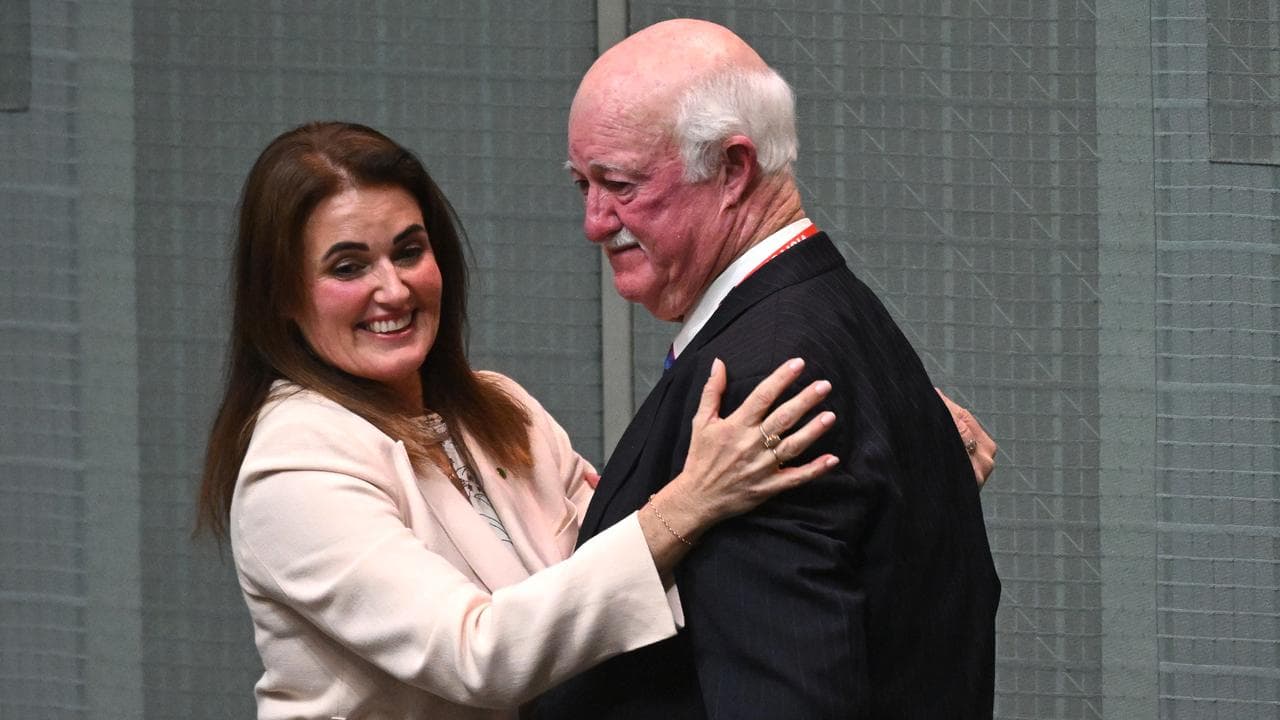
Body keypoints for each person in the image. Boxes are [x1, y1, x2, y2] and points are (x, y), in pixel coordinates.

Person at [195, 121, 844, 720]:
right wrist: (689, 504)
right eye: (349, 267)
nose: (393, 289)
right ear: (281, 296)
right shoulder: (294, 464)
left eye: (409, 251)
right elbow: (477, 655)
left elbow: (611, 567)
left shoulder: (498, 405)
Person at [532, 19, 1002, 719]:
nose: (595, 221)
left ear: (732, 169)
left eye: (620, 185)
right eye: (582, 185)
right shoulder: (832, 309)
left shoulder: (762, 386)